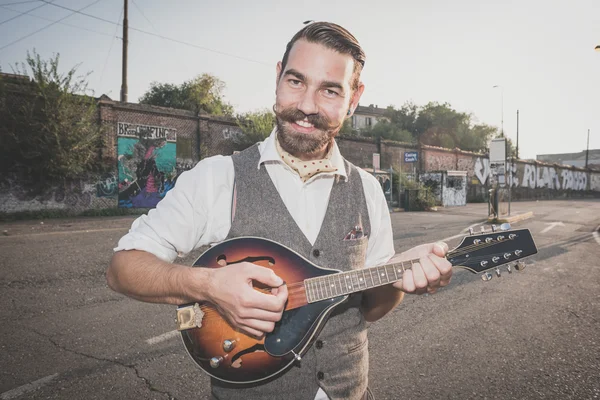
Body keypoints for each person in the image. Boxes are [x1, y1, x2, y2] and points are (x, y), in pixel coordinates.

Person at [107, 21, 452, 400]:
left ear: (354, 99)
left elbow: (371, 309)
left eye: (330, 90)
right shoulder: (218, 178)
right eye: (296, 81)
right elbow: (123, 269)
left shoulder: (368, 190)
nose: (306, 106)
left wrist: (403, 276)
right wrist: (207, 285)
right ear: (277, 78)